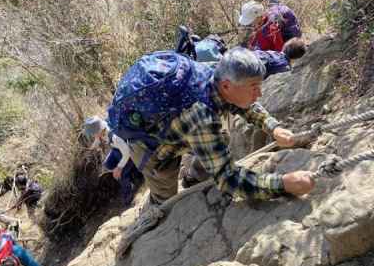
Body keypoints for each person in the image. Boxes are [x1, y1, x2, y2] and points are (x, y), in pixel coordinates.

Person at [107, 47, 315, 206]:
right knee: (166, 199)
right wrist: (283, 184)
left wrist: (273, 128)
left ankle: (195, 176)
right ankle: (157, 208)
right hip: (151, 147)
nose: (259, 94)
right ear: (226, 85)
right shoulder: (202, 116)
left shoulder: (215, 72)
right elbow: (229, 179)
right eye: (254, 87)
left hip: (177, 124)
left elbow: (243, 103)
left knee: (219, 138)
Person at [83, 116, 143, 206]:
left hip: (130, 153)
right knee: (108, 164)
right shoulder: (102, 130)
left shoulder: (114, 137)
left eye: (92, 134)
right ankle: (133, 174)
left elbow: (127, 152)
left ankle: (129, 193)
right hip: (117, 150)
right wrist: (92, 147)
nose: (92, 136)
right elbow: (97, 139)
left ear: (97, 131)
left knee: (121, 174)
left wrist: (119, 168)